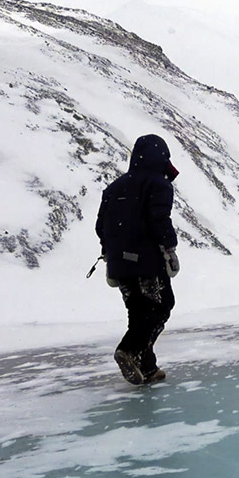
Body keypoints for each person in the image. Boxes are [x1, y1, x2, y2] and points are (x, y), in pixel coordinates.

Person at [95, 133, 181, 385]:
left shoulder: (114, 188)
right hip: (147, 261)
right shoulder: (158, 184)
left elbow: (101, 226)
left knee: (138, 311)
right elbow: (159, 220)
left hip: (120, 264)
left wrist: (110, 252)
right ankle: (129, 350)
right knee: (161, 305)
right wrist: (170, 248)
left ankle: (147, 367)